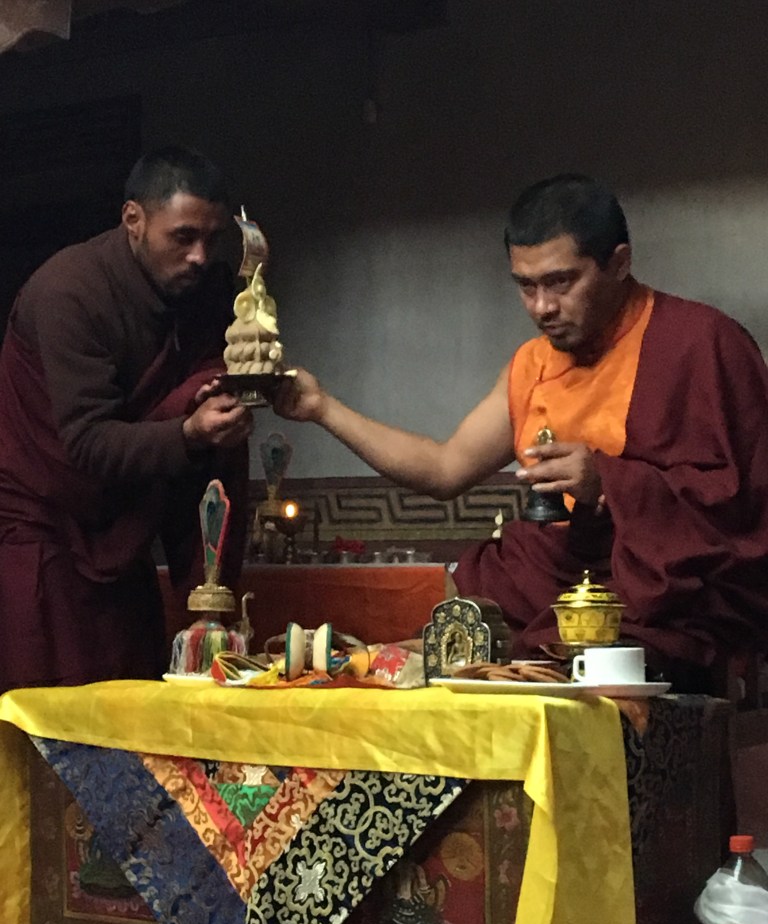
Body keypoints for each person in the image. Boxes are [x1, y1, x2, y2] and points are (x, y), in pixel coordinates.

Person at [274, 173, 768, 691]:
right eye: (526, 286)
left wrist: (607, 484)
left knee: (563, 650)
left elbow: (743, 512)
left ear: (619, 263)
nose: (542, 307)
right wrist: (322, 407)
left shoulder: (699, 344)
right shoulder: (532, 366)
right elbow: (444, 469)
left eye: (561, 282)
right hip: (547, 582)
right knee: (451, 626)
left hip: (655, 600)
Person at [0, 145, 252, 691]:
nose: (200, 257)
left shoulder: (202, 292)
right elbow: (86, 443)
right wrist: (188, 431)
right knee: (53, 711)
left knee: (135, 693)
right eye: (183, 237)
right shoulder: (71, 291)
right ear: (133, 219)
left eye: (212, 239)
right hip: (47, 529)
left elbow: (213, 372)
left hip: (126, 529)